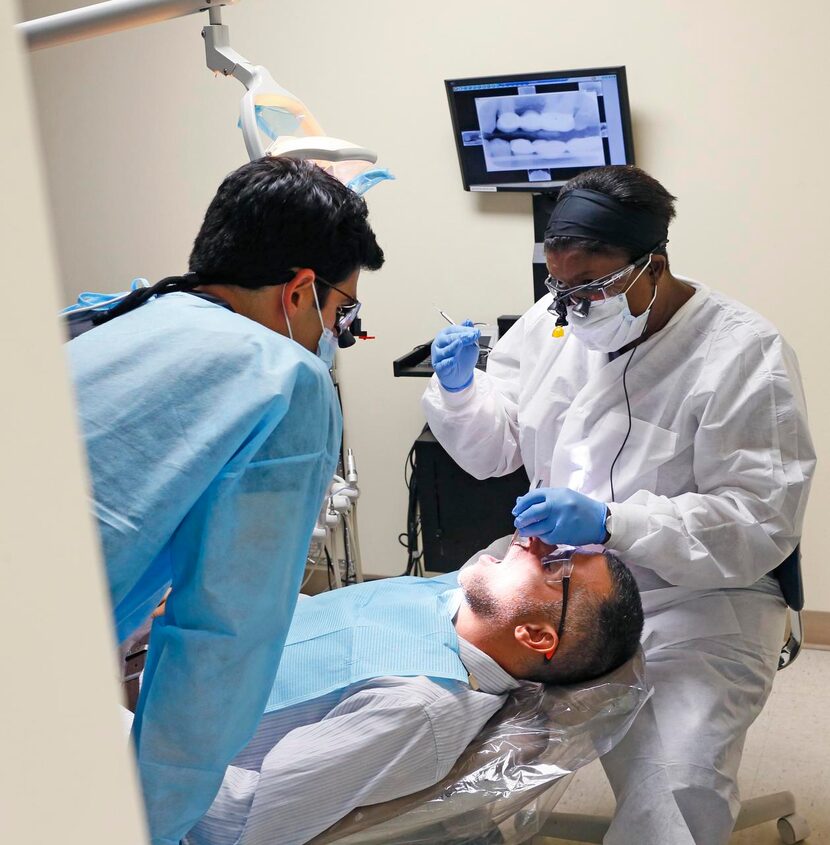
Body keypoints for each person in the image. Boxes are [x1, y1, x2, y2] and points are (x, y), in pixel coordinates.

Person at [423, 165, 816, 845]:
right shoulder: (558, 320)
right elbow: (496, 448)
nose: (574, 304)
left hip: (698, 601)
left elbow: (759, 522)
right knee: (428, 714)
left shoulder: (745, 356)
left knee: (678, 782)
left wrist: (614, 522)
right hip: (557, 585)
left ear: (654, 264)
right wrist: (462, 392)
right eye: (560, 284)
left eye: (595, 286)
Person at [66, 156, 384, 845]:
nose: (339, 333)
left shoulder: (124, 318)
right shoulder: (286, 380)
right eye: (342, 311)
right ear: (301, 291)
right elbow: (220, 648)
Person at [181, 537, 644, 845]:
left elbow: (236, 825)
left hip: (155, 752)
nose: (532, 540)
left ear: (537, 637)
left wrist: (122, 727)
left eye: (555, 562)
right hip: (184, 662)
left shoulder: (420, 710)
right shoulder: (447, 599)